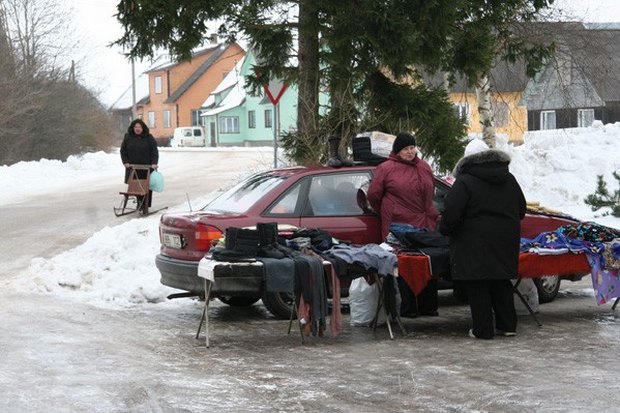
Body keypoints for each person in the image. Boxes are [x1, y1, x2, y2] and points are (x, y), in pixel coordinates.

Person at [438, 139, 526, 339]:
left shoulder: (465, 181)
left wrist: (445, 230)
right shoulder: (509, 178)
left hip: (473, 243)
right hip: (505, 241)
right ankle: (507, 325)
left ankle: (483, 329)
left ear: (467, 159)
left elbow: (452, 212)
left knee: (478, 285)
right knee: (501, 282)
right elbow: (521, 209)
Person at [367, 131, 440, 316]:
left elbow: (431, 191)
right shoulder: (386, 168)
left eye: (412, 147)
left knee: (427, 262)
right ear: (397, 151)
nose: (410, 152)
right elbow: (374, 195)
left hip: (424, 221)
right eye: (406, 149)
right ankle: (409, 308)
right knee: (405, 265)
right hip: (399, 224)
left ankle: (428, 306)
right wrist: (386, 210)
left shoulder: (424, 166)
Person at [120, 119, 159, 213]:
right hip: (133, 167)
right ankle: (139, 203)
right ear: (132, 128)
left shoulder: (149, 138)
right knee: (136, 186)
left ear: (143, 128)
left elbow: (154, 151)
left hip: (147, 167)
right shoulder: (128, 137)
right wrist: (125, 162)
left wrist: (154, 163)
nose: (137, 129)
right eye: (136, 127)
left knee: (146, 187)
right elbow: (123, 150)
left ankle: (145, 205)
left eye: (139, 127)